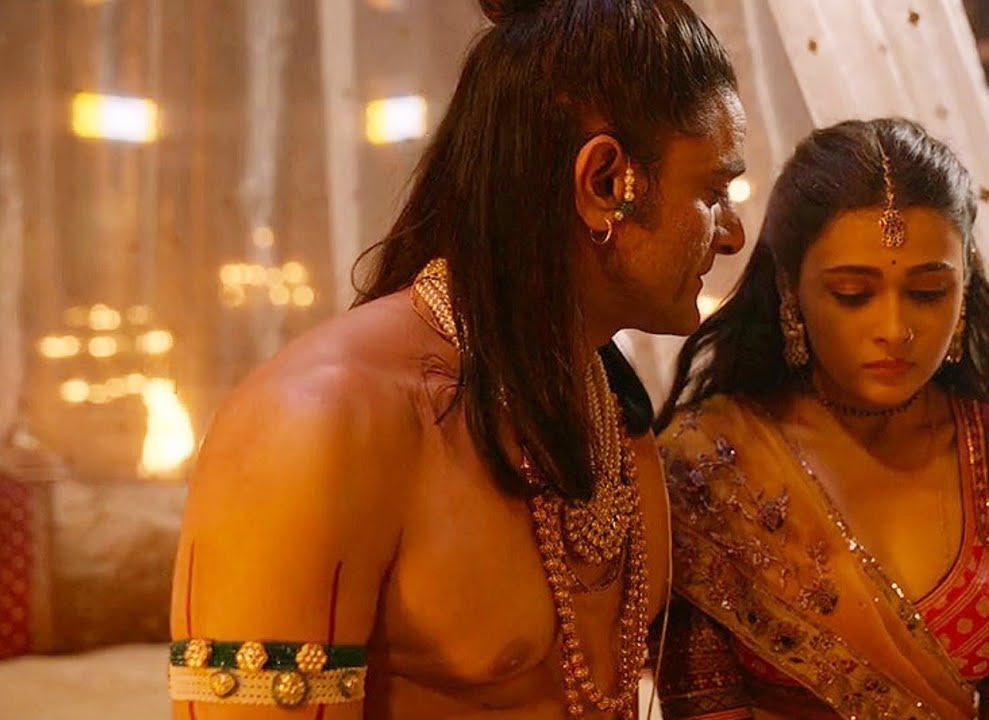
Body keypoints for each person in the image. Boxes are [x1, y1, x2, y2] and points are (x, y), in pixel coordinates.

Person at [167, 0, 746, 717]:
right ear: (604, 183)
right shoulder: (321, 421)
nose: (733, 234)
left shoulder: (616, 421)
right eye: (714, 192)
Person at [654, 118, 989, 720]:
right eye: (853, 294)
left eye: (928, 292)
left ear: (964, 291)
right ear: (791, 292)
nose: (895, 329)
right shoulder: (707, 471)